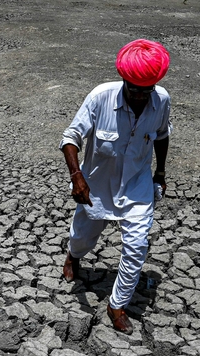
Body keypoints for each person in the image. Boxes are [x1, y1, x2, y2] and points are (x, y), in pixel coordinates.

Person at [59, 39, 172, 335]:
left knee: (136, 247)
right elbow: (71, 137)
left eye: (145, 91)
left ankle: (117, 304)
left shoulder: (161, 100)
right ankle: (73, 255)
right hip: (96, 186)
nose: (138, 96)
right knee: (83, 238)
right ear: (123, 79)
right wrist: (77, 177)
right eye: (133, 89)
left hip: (137, 186)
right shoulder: (100, 97)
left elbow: (161, 136)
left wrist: (159, 173)